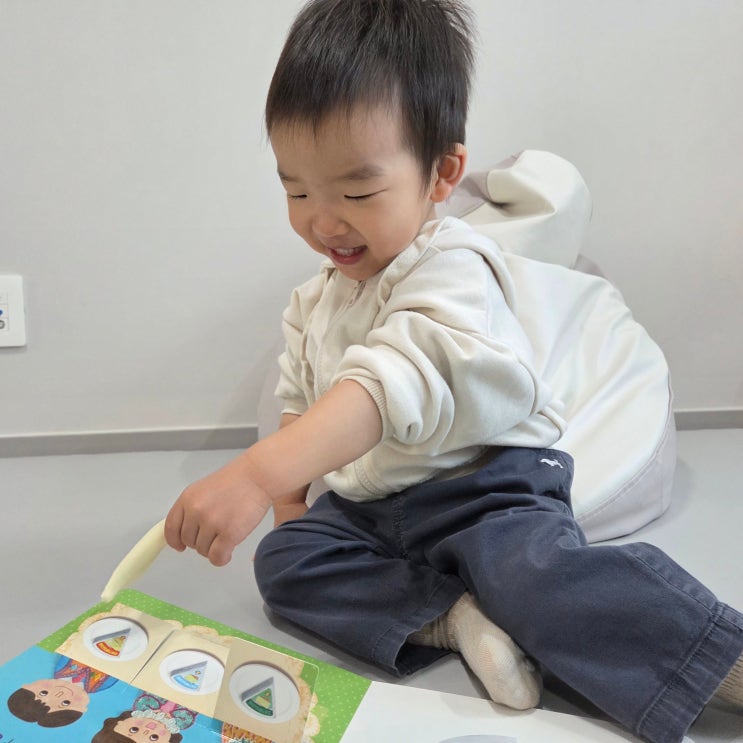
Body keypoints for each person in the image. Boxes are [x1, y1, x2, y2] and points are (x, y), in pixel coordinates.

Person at [164, 1, 743, 741]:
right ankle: (456, 618)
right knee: (286, 562)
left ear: (441, 174)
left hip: (484, 487)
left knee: (534, 575)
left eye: (357, 191)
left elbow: (388, 383)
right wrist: (285, 506)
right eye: (296, 190)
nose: (323, 220)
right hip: (374, 504)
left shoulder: (453, 268)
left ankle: (716, 659)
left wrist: (250, 474)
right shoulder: (312, 302)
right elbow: (298, 402)